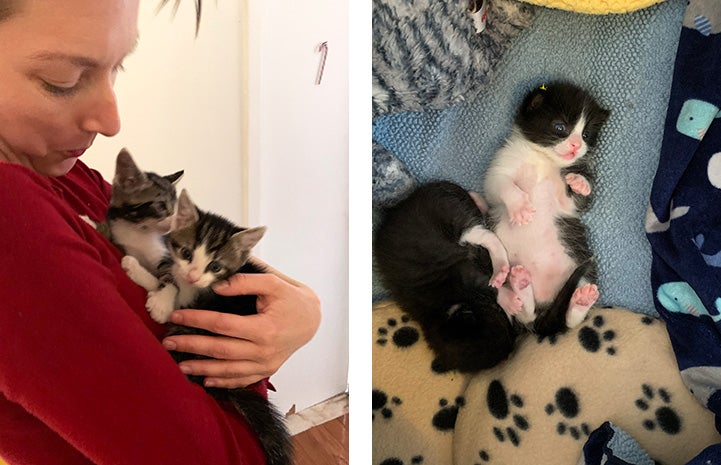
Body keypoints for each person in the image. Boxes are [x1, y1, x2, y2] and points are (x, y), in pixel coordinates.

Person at [0, 0, 321, 463]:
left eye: (118, 67)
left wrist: (302, 307)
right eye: (62, 81)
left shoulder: (61, 174)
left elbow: (177, 252)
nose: (111, 122)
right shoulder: (13, 220)